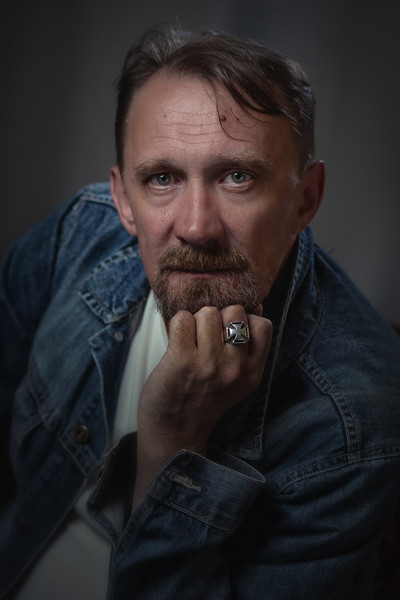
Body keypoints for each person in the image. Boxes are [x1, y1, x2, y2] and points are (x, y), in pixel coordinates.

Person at [1, 26, 399, 600]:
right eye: (161, 178)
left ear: (304, 199)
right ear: (122, 200)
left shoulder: (356, 421)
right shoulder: (79, 236)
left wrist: (173, 445)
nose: (196, 227)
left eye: (238, 176)